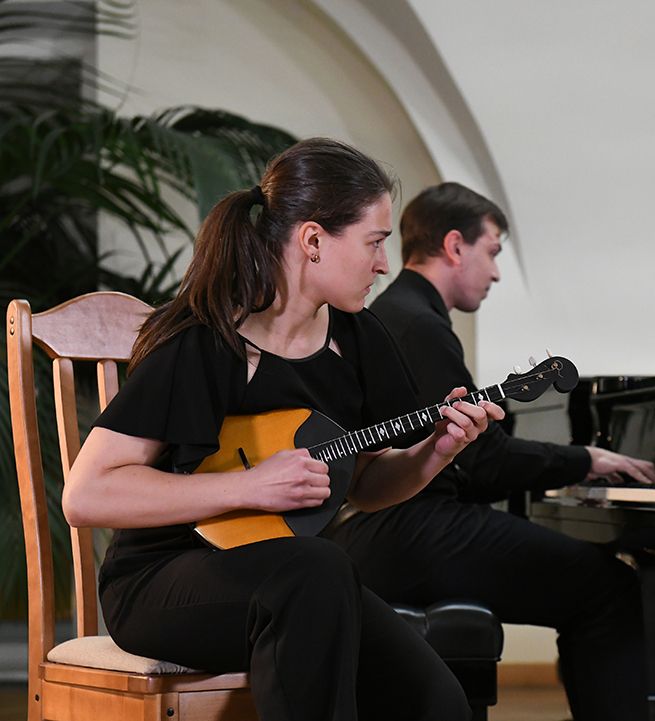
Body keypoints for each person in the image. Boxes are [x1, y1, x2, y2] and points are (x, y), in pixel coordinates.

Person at [63, 140, 504, 721]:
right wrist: (249, 486)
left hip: (294, 580)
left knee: (435, 700)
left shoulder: (360, 339)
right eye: (374, 242)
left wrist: (436, 453)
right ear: (313, 240)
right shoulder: (203, 341)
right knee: (319, 572)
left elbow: (367, 486)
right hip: (162, 581)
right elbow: (86, 495)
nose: (383, 264)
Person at [326, 182, 655, 721]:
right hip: (409, 529)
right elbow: (483, 461)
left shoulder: (399, 312)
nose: (497, 272)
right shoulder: (419, 325)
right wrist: (586, 460)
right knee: (609, 588)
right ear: (455, 246)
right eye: (493, 251)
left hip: (387, 526)